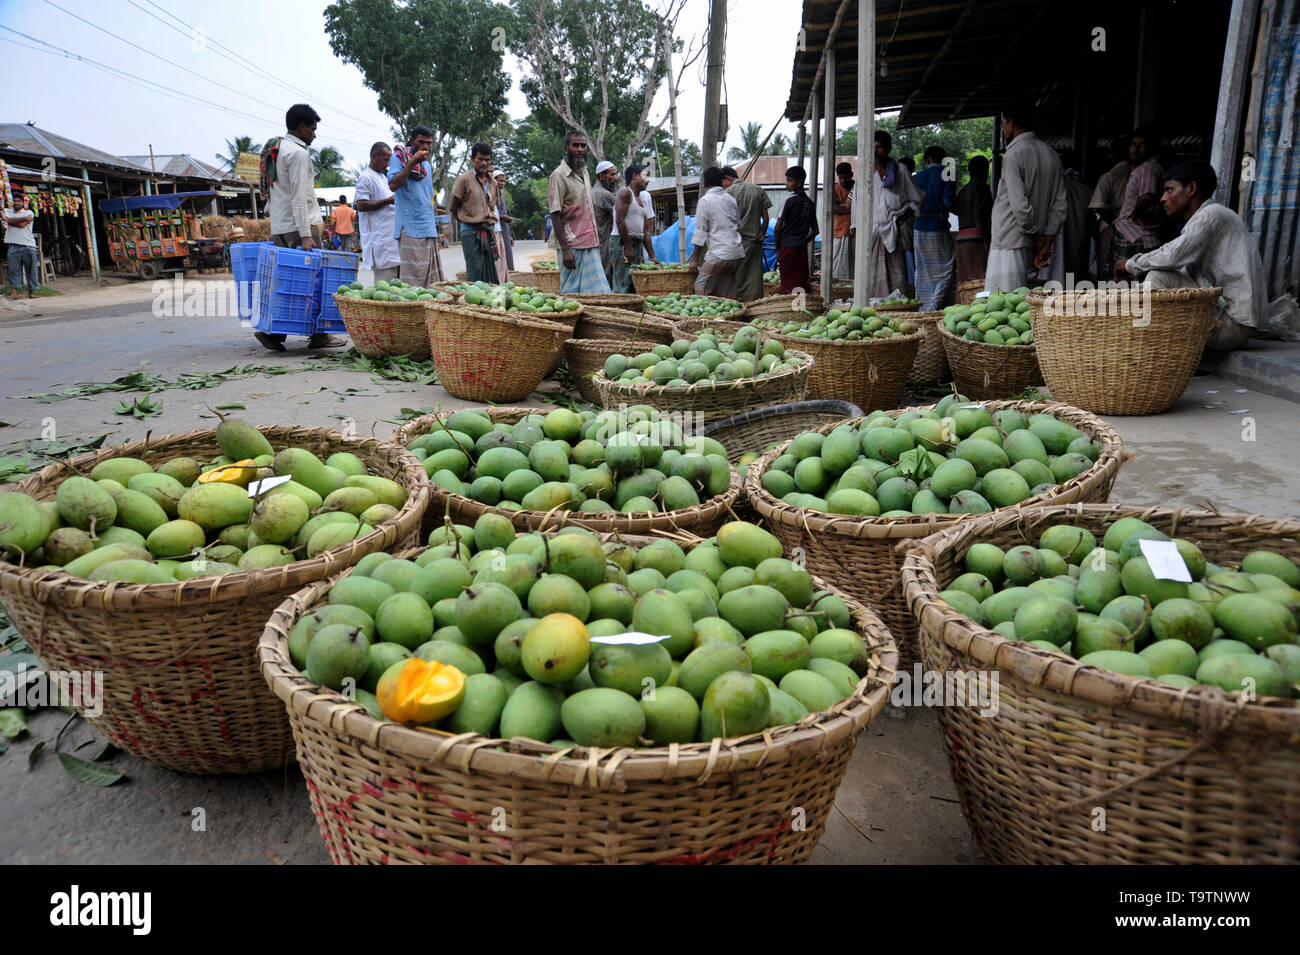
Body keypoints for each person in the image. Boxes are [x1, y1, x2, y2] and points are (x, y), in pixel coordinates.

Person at [1117, 161, 1263, 351]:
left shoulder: (1210, 215)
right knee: (1160, 276)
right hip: (1228, 319)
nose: (1162, 198)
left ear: (1191, 189)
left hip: (1232, 325)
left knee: (1158, 277)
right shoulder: (1208, 218)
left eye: (1170, 190)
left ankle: (1143, 347)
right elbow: (1176, 263)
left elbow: (1170, 255)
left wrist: (1129, 264)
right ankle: (1147, 343)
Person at [258, 103, 343, 351]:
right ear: (301, 127)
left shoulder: (275, 149)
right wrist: (307, 236)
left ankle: (274, 333)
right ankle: (319, 336)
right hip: (298, 226)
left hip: (280, 226)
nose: (314, 135)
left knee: (287, 283)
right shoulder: (298, 153)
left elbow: (274, 193)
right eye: (312, 129)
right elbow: (299, 196)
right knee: (315, 282)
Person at [985, 99, 1067, 293]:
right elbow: (1060, 206)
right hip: (1028, 242)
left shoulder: (1014, 154)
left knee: (1002, 306)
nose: (1003, 129)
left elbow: (1020, 207)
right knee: (1020, 303)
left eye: (1003, 123)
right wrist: (1046, 242)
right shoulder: (1051, 154)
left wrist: (1038, 238)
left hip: (1009, 240)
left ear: (1011, 122)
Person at [546, 129, 610, 293]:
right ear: (566, 148)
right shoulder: (558, 176)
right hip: (572, 246)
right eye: (576, 145)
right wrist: (566, 250)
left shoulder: (585, 172)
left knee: (598, 293)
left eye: (583, 146)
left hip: (590, 242)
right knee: (572, 292)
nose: (580, 149)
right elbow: (555, 214)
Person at [388, 125, 444, 288]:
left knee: (432, 280)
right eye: (421, 142)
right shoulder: (398, 158)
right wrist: (412, 161)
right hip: (410, 226)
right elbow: (393, 185)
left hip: (427, 225)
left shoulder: (426, 166)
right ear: (412, 141)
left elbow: (427, 197)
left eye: (428, 143)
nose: (425, 147)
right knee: (413, 279)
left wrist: (435, 229)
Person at [1107, 125, 1164, 279]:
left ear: (1151, 148)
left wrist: (1133, 217)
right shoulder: (1143, 168)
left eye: (1142, 145)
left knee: (1125, 281)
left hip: (1135, 235)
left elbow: (1147, 196)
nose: (1136, 149)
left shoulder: (1147, 168)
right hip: (1134, 233)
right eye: (1133, 144)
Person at [871, 130, 922, 298]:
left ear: (888, 148)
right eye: (873, 147)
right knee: (873, 276)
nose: (875, 151)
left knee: (897, 274)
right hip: (874, 232)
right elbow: (857, 205)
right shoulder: (867, 174)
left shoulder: (900, 171)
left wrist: (900, 220)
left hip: (895, 231)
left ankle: (898, 307)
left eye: (879, 147)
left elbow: (915, 200)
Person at [911, 145, 956, 310]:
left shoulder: (916, 178)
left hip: (919, 228)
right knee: (946, 269)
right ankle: (936, 306)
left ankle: (924, 308)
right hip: (938, 227)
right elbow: (948, 202)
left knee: (923, 271)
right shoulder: (948, 174)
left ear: (927, 160)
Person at [449, 143, 500, 284]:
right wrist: (467, 220)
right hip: (470, 232)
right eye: (480, 159)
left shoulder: (493, 183)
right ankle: (472, 303)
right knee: (475, 270)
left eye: (487, 159)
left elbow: (492, 207)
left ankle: (489, 304)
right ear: (472, 159)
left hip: (487, 230)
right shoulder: (464, 179)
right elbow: (453, 208)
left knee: (489, 271)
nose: (484, 163)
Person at [690, 166, 744, 298]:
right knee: (726, 291)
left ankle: (704, 318)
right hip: (736, 252)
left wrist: (695, 259)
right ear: (722, 181)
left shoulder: (705, 201)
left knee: (700, 288)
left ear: (705, 183)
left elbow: (700, 232)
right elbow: (738, 222)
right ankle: (729, 317)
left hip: (720, 252)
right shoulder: (731, 199)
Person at [722, 165, 771, 300]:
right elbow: (766, 217)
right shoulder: (757, 189)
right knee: (753, 278)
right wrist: (761, 234)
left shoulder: (726, 194)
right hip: (754, 242)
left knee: (735, 277)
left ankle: (737, 305)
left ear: (726, 179)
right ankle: (754, 305)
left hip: (734, 243)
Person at [353, 141, 400, 284]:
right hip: (380, 241)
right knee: (384, 285)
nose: (388, 164)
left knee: (397, 285)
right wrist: (387, 201)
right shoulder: (366, 177)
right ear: (374, 157)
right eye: (386, 159)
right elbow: (360, 205)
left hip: (390, 239)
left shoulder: (383, 177)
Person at [1089, 135, 1130, 283]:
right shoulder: (1139, 173)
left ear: (1116, 154)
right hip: (1133, 231)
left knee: (1107, 274)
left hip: (1112, 229)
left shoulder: (1109, 177)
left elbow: (1096, 207)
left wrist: (1115, 222)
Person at [610, 163, 657, 293]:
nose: (646, 180)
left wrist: (652, 256)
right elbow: (620, 220)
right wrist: (628, 246)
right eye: (644, 176)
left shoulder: (643, 198)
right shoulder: (625, 193)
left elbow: (646, 231)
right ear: (635, 176)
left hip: (637, 243)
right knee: (623, 283)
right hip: (622, 242)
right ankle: (620, 311)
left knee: (636, 282)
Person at [773, 165, 816, 294]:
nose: (787, 184)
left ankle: (790, 310)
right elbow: (816, 230)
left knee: (787, 284)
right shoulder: (810, 202)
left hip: (787, 247)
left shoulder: (788, 200)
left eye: (789, 180)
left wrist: (778, 247)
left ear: (799, 182)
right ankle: (800, 310)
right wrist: (803, 240)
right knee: (800, 282)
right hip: (801, 248)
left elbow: (777, 228)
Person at [1053, 150, 1094, 283]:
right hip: (1080, 238)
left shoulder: (1052, 188)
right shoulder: (1086, 189)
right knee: (1075, 278)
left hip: (1054, 241)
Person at [954, 154, 992, 283]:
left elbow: (954, 208)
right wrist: (986, 240)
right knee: (980, 281)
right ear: (984, 170)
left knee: (963, 282)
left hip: (961, 239)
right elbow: (978, 214)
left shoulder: (963, 190)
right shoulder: (983, 188)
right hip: (976, 239)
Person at [4, 193, 38, 300]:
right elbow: (14, 222)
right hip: (13, 245)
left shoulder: (29, 212)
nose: (16, 203)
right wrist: (22, 219)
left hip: (28, 245)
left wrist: (10, 220)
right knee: (14, 270)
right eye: (14, 201)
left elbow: (21, 225)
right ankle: (14, 293)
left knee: (31, 270)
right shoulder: (6, 211)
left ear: (23, 203)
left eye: (19, 201)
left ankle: (31, 292)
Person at [592, 159, 619, 285]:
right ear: (602, 176)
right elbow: (621, 217)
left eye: (616, 174)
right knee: (608, 275)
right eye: (612, 174)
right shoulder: (605, 195)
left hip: (596, 242)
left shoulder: (593, 192)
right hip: (606, 241)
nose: (616, 178)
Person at [831, 162, 854, 282]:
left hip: (855, 233)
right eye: (840, 178)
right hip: (839, 232)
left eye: (846, 177)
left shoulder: (857, 187)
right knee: (837, 268)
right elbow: (833, 208)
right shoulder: (834, 190)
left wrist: (844, 208)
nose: (843, 180)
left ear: (851, 174)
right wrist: (850, 208)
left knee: (854, 267)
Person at [494, 171, 515, 272]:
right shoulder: (492, 194)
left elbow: (503, 212)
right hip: (496, 229)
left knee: (507, 255)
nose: (502, 183)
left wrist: (510, 235)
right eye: (500, 181)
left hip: (504, 230)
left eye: (504, 181)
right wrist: (502, 217)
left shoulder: (502, 195)